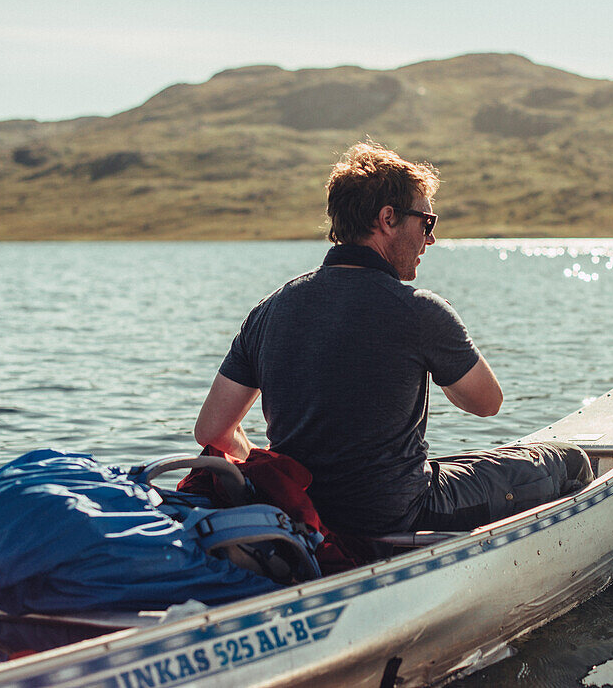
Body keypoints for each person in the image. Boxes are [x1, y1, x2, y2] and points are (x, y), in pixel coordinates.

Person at [194, 142, 592, 536]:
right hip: (400, 513)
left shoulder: (269, 310)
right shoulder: (420, 310)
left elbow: (212, 432)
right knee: (571, 462)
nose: (430, 239)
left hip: (305, 514)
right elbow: (487, 404)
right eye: (426, 223)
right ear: (388, 218)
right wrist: (442, 343)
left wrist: (275, 477)